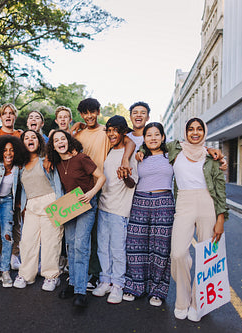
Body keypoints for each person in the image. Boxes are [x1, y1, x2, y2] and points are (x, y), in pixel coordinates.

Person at [151, 118, 228, 321]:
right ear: (185, 132)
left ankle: (198, 302)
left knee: (207, 256)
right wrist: (141, 150)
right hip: (184, 201)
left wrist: (220, 218)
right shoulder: (175, 150)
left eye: (199, 129)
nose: (195, 133)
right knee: (177, 254)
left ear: (204, 132)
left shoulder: (212, 157)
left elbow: (220, 190)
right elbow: (152, 142)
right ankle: (182, 300)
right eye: (191, 129)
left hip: (207, 203)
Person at [70, 98, 135, 290]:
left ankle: (99, 275)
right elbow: (63, 145)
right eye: (85, 113)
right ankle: (83, 273)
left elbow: (128, 140)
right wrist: (71, 130)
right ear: (81, 115)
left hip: (100, 186)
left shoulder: (106, 132)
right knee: (82, 236)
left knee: (103, 238)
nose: (89, 116)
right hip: (82, 188)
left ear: (98, 112)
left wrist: (125, 159)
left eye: (92, 112)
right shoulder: (79, 134)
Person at [47, 130, 105, 308]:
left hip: (86, 204)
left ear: (68, 141)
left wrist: (91, 193)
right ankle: (72, 284)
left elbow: (101, 177)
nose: (60, 142)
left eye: (63, 139)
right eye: (56, 141)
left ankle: (80, 291)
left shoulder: (81, 158)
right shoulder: (56, 163)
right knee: (71, 245)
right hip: (69, 206)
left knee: (81, 245)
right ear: (53, 146)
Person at [123, 122, 174, 307]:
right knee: (135, 244)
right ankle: (134, 286)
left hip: (164, 202)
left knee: (161, 248)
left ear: (162, 137)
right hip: (140, 201)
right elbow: (131, 180)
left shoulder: (172, 155)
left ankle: (157, 291)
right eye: (149, 135)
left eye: (156, 134)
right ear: (144, 138)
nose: (153, 138)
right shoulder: (139, 157)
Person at [93, 116, 138, 304]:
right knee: (103, 247)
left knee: (118, 249)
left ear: (123, 132)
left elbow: (132, 183)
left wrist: (125, 176)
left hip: (120, 209)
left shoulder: (130, 156)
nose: (111, 134)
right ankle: (105, 281)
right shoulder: (110, 152)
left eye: (115, 130)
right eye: (109, 130)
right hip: (103, 206)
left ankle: (118, 284)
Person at [13, 130, 64, 292]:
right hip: (31, 206)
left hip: (51, 202)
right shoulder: (19, 166)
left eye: (33, 137)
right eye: (26, 138)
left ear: (39, 141)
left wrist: (60, 206)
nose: (30, 139)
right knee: (27, 241)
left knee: (51, 242)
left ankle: (51, 276)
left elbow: (60, 149)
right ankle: (26, 274)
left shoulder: (47, 160)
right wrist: (21, 205)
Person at [0, 136, 27, 287]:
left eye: (12, 150)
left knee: (7, 236)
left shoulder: (18, 168)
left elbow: (21, 187)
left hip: (8, 201)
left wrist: (22, 203)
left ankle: (5, 271)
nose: (8, 153)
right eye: (5, 150)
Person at [0, 103, 23, 270]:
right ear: (0, 117)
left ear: (15, 116)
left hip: (14, 184)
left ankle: (14, 255)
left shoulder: (20, 134)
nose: (8, 116)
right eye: (4, 114)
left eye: (11, 113)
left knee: (13, 222)